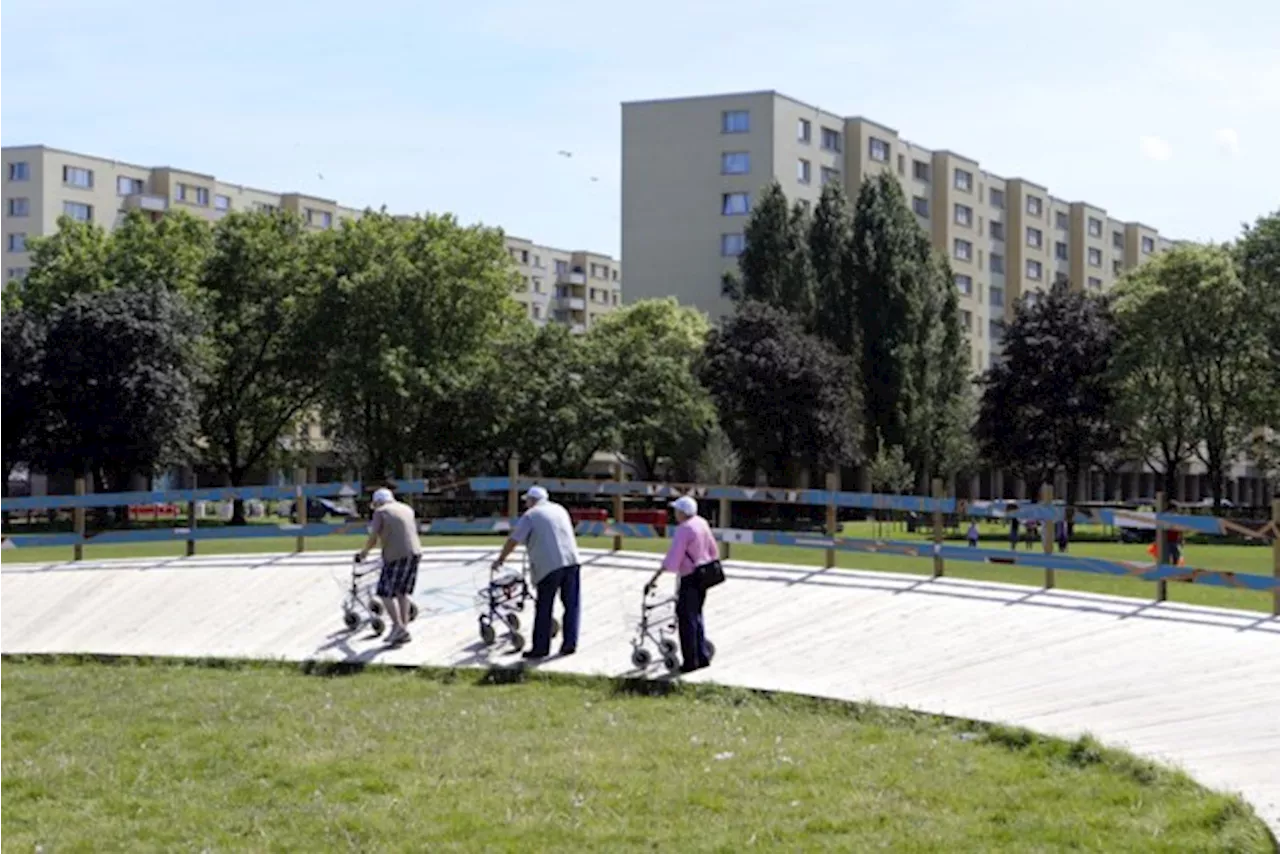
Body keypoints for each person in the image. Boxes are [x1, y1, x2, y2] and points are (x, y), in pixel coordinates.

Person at [492, 485, 581, 660]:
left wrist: (501, 558)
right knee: (572, 605)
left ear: (532, 500)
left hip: (549, 565)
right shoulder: (559, 509)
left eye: (527, 501)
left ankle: (541, 648)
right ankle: (569, 644)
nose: (526, 504)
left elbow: (514, 540)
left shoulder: (531, 515)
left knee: (544, 607)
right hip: (572, 561)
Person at [644, 496, 718, 674]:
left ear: (683, 513)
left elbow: (673, 557)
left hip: (689, 576)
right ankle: (702, 656)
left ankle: (690, 661)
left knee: (686, 619)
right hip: (703, 575)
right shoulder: (701, 523)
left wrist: (656, 576)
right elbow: (713, 549)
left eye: (676, 510)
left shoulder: (684, 529)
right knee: (697, 617)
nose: (674, 514)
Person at [355, 487, 422, 646]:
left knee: (384, 593)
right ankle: (403, 629)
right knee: (402, 591)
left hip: (395, 555)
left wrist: (364, 553)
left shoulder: (381, 512)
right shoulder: (406, 508)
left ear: (377, 502)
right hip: (415, 552)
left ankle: (398, 626)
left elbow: (373, 538)